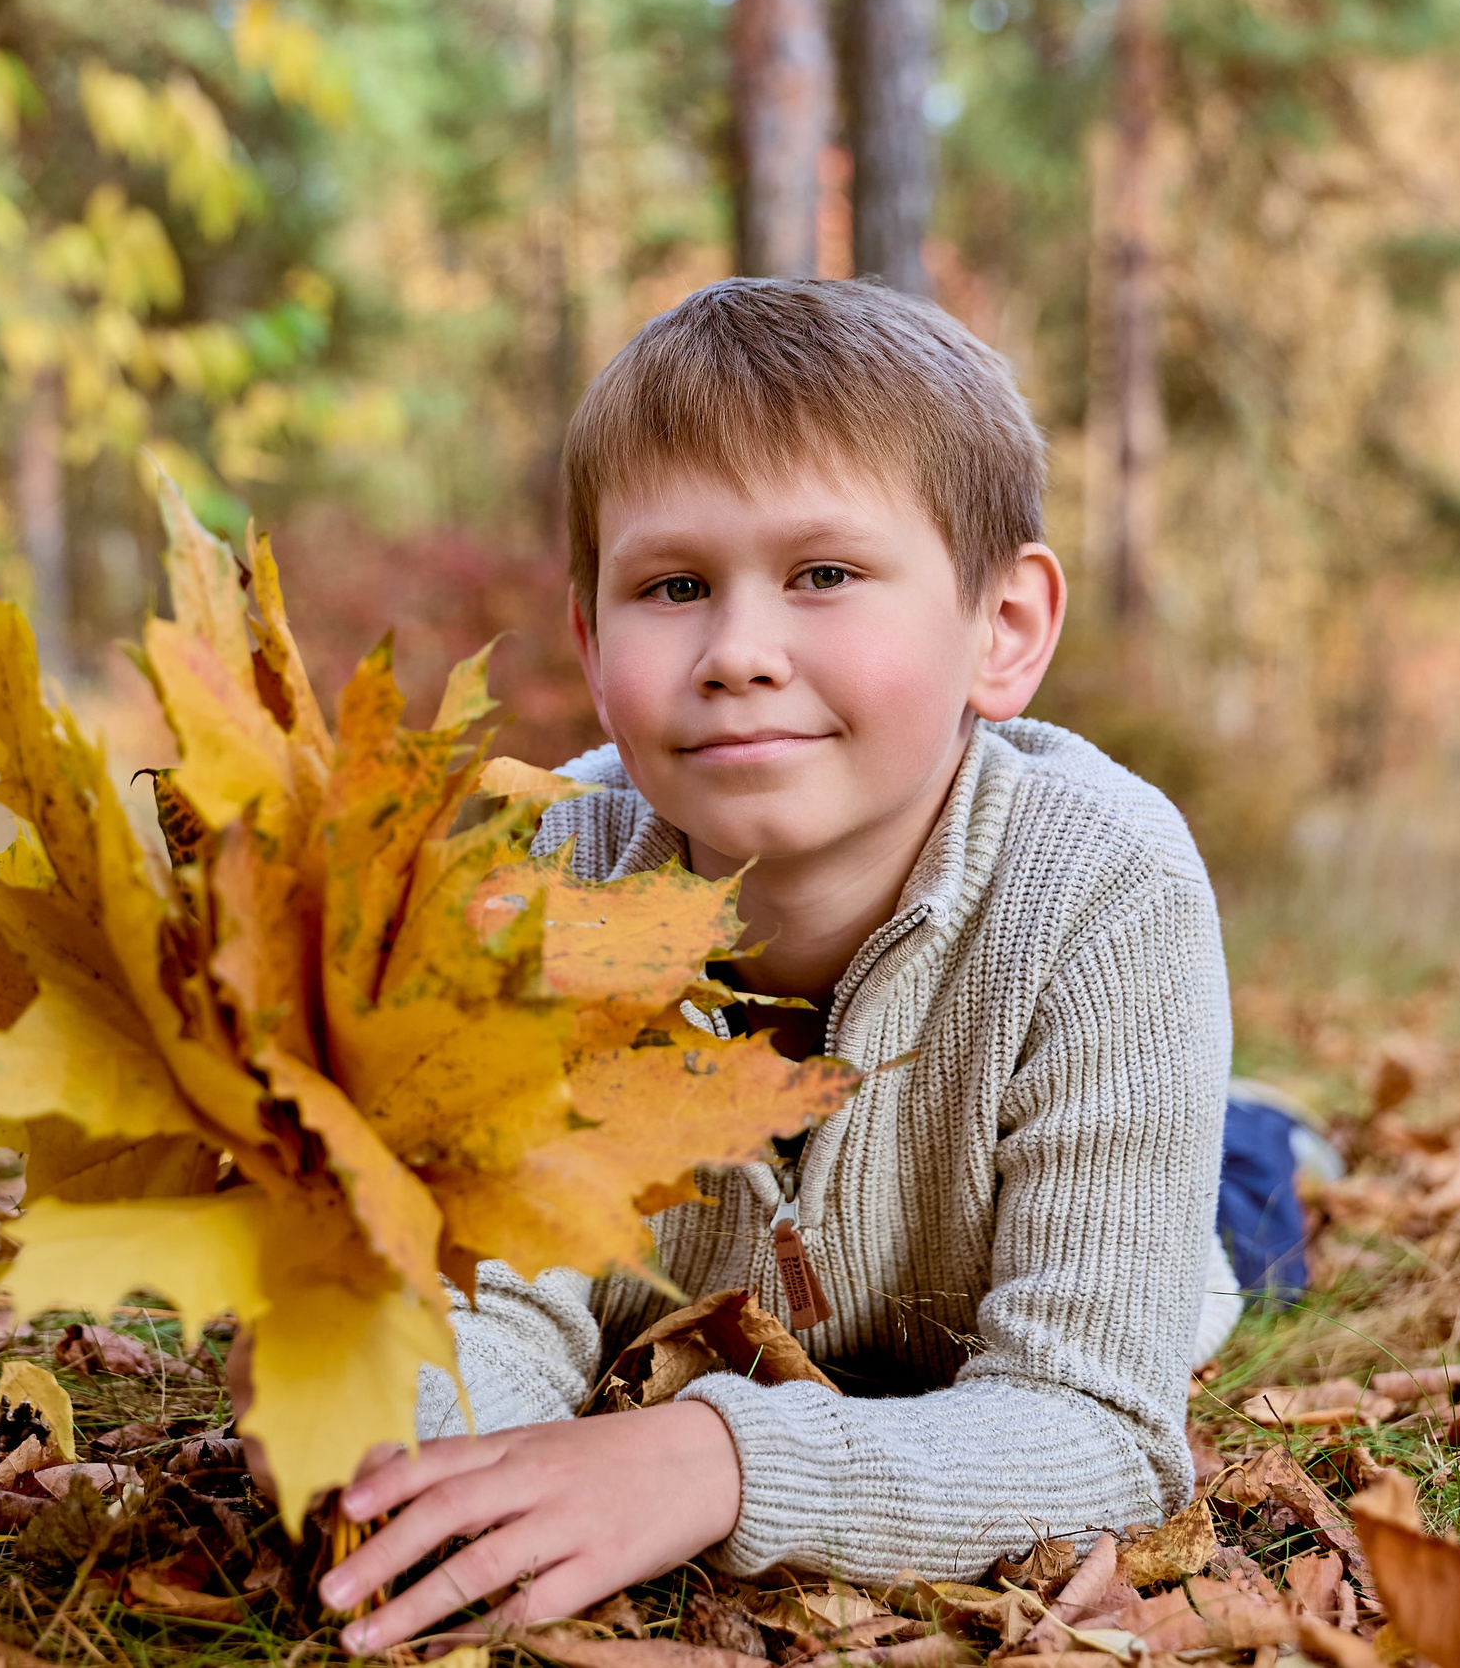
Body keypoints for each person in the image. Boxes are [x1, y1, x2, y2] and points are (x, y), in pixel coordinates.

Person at [317, 278, 1251, 1652]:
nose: (738, 653)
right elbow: (491, 1309)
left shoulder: (1106, 886)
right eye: (672, 586)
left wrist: (720, 1461)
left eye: (823, 574)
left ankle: (1261, 1134)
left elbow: (1095, 1428)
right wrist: (393, 1419)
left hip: (1067, 1214)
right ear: (588, 637)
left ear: (1001, 629)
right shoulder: (540, 883)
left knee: (1243, 1202)